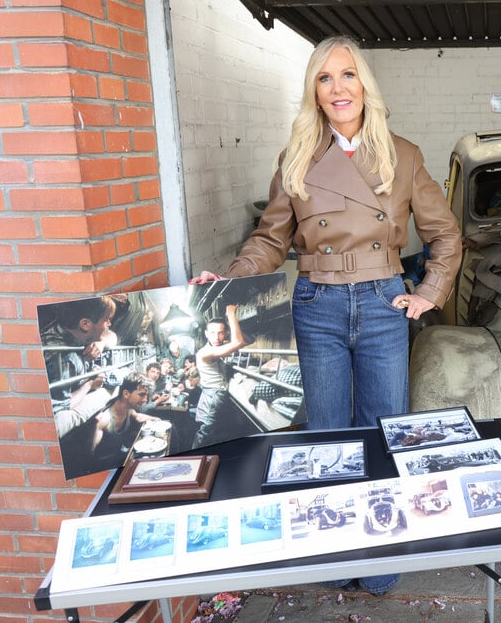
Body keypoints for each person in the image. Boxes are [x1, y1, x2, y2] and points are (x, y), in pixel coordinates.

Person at [191, 35, 461, 596]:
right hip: (317, 305)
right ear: (314, 92)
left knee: (385, 429)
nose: (338, 88)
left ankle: (381, 563)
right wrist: (231, 279)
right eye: (325, 78)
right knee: (328, 438)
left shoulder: (402, 154)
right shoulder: (296, 158)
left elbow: (445, 233)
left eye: (348, 75)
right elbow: (270, 239)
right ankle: (337, 558)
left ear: (365, 84)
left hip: (384, 303)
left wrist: (429, 291)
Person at [40, 295, 119, 438]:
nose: (109, 324)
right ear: (85, 324)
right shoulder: (65, 358)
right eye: (106, 319)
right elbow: (61, 407)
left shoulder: (62, 328)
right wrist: (89, 384)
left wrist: (101, 343)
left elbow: (112, 336)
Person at [193, 306, 250, 448]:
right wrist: (231, 313)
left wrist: (231, 325)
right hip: (213, 395)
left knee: (215, 433)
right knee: (206, 433)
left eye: (220, 333)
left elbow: (248, 340)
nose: (216, 337)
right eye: (212, 333)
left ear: (225, 334)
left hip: (216, 394)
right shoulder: (205, 352)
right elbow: (239, 343)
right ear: (206, 334)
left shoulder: (218, 346)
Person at [91, 372, 160, 467]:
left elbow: (138, 417)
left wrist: (157, 419)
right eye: (142, 395)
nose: (145, 400)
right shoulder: (104, 420)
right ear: (126, 394)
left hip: (118, 458)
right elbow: (89, 456)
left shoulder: (129, 409)